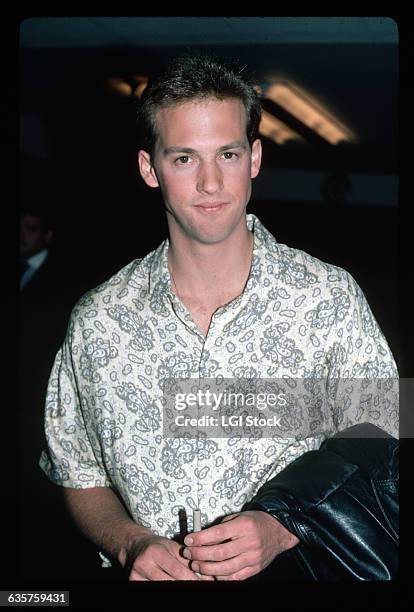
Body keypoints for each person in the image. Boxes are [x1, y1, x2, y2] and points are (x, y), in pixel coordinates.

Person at [39, 55, 398, 581]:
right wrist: (129, 542)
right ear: (149, 167)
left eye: (226, 154)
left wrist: (282, 525)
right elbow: (77, 472)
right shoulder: (98, 321)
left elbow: (385, 431)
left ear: (254, 158)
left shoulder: (327, 298)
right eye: (184, 158)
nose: (211, 182)